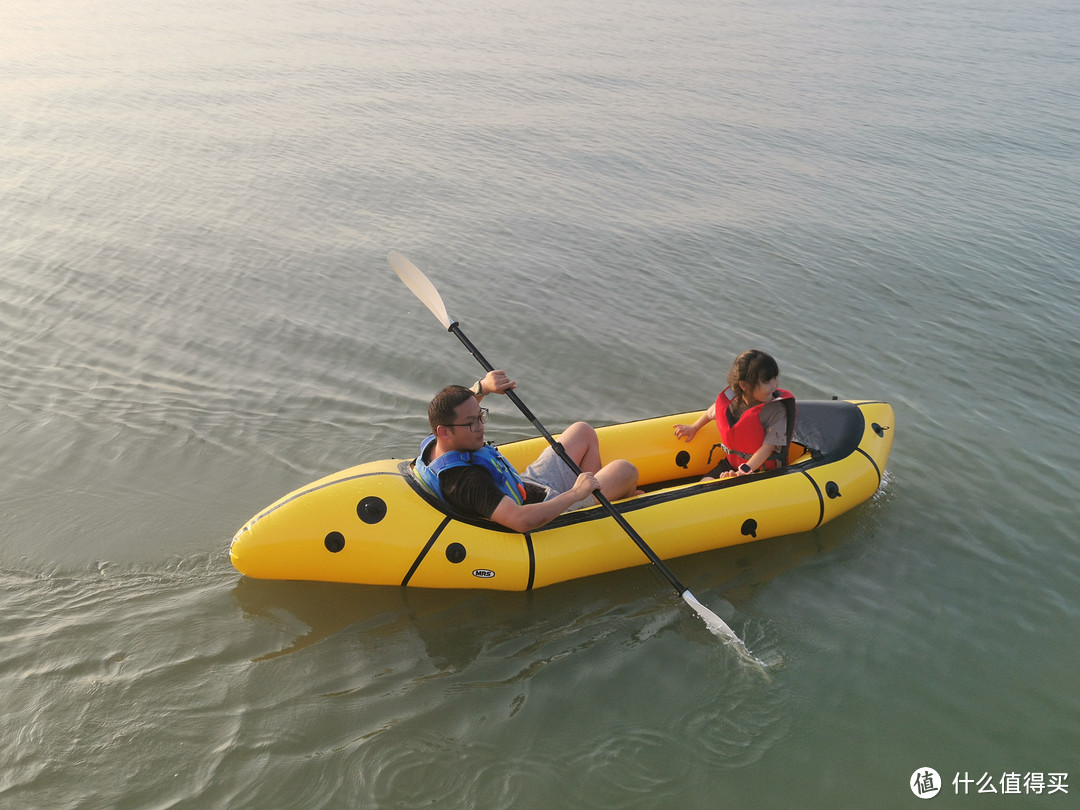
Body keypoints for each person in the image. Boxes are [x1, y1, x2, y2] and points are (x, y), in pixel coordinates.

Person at [414, 370, 640, 532]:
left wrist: (481, 388)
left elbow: (461, 407)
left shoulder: (437, 443)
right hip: (538, 509)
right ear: (444, 432)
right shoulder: (467, 481)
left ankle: (594, 499)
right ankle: (591, 504)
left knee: (582, 431)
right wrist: (576, 493)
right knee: (625, 470)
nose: (481, 426)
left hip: (524, 485)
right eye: (472, 422)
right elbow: (520, 521)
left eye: (480, 416)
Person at [673, 349, 796, 480]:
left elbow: (768, 447)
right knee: (705, 483)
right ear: (744, 385)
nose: (774, 385)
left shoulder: (776, 410)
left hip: (761, 470)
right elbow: (711, 413)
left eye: (775, 378)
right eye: (767, 381)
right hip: (731, 464)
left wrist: (743, 471)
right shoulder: (734, 402)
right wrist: (694, 427)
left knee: (724, 489)